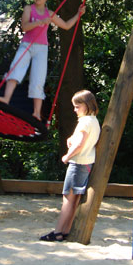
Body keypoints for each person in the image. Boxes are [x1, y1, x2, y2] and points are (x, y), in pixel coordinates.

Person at [0, 0, 85, 120]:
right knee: (16, 68)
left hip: (41, 48)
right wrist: (39, 22)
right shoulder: (29, 9)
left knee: (38, 78)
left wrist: (78, 15)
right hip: (27, 45)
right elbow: (25, 27)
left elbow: (66, 26)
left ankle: (36, 112)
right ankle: (6, 98)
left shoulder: (50, 13)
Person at [40, 90, 100, 242]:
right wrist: (71, 138)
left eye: (77, 106)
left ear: (86, 105)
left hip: (78, 163)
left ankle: (58, 231)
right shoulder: (94, 121)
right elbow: (82, 140)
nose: (74, 110)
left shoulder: (85, 121)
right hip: (86, 163)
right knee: (75, 199)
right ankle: (66, 230)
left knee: (68, 199)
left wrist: (67, 156)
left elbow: (80, 144)